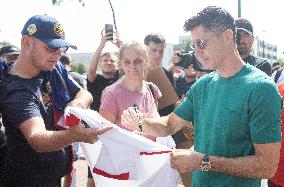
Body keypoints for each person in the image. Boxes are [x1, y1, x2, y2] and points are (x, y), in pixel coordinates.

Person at [121, 6, 282, 187]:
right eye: (194, 44)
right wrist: (141, 122)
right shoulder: (202, 85)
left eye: (202, 43)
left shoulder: (262, 88)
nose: (196, 52)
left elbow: (267, 166)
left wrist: (202, 162)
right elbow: (170, 124)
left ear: (228, 36)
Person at [0, 14, 111, 187]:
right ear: (27, 42)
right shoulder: (16, 90)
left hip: (52, 177)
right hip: (25, 180)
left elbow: (84, 94)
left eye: (62, 49)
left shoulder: (52, 67)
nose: (58, 54)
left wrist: (75, 105)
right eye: (51, 48)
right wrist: (73, 136)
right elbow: (38, 138)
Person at [86, 29, 121, 187]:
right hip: (96, 130)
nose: (108, 62)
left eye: (112, 60)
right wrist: (102, 44)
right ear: (100, 63)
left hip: (117, 130)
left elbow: (135, 65)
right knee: (92, 173)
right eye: (105, 60)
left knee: (117, 173)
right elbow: (91, 71)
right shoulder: (95, 79)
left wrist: (120, 45)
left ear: (117, 64)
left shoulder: (122, 80)